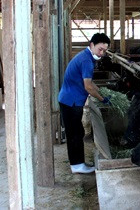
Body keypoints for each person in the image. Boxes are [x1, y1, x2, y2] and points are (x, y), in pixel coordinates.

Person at [58, 33, 111, 174]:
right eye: (100, 49)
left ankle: (78, 162)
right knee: (74, 133)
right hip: (72, 101)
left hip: (69, 99)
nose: (102, 53)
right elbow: (88, 86)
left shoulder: (85, 56)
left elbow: (90, 82)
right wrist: (101, 99)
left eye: (104, 51)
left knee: (77, 131)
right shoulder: (86, 61)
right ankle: (77, 166)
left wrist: (100, 91)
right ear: (92, 45)